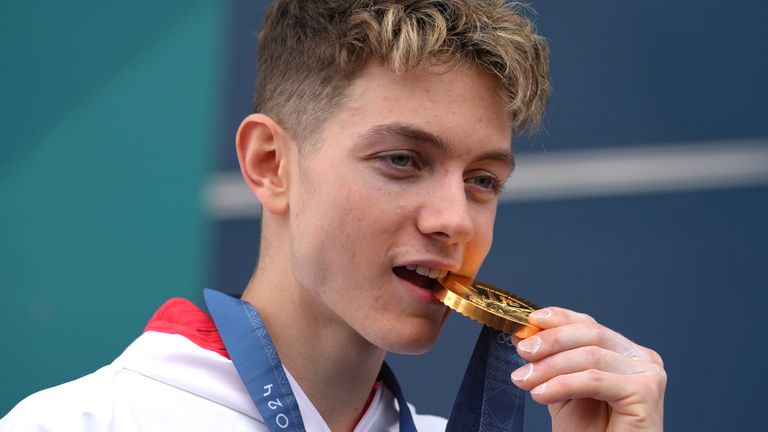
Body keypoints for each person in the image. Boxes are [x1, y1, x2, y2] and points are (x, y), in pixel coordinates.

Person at [0, 1, 666, 431]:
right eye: (403, 159)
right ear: (270, 164)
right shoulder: (84, 422)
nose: (455, 220)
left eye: (483, 179)